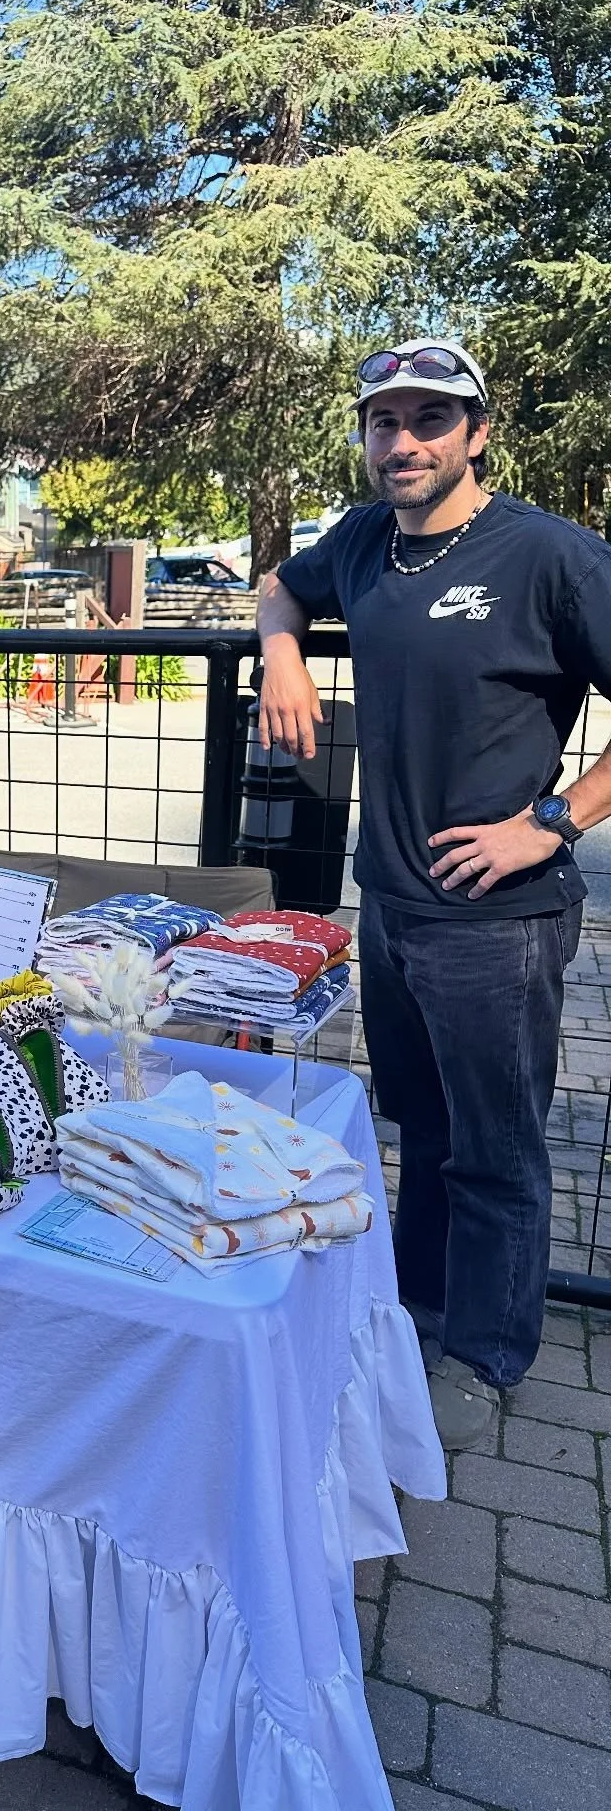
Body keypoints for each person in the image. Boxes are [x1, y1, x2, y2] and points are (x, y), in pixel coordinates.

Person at [257, 338, 611, 1447]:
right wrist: (281, 654)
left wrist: (546, 825)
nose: (402, 443)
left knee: (495, 1147)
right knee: (418, 1125)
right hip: (394, 904)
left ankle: (490, 1359)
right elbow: (281, 586)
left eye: (429, 421)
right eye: (384, 422)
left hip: (497, 918)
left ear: (478, 432)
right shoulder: (366, 539)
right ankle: (418, 1316)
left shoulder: (551, 557)